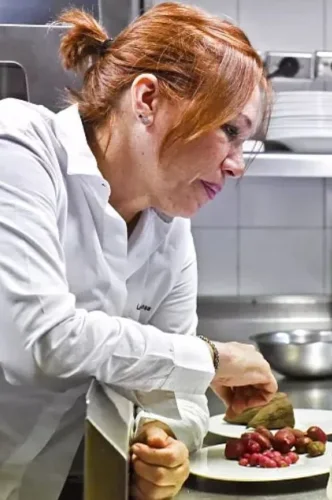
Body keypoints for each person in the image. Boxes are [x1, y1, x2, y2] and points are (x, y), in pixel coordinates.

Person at [0, 3, 278, 499]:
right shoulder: (19, 147)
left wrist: (165, 437)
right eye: (229, 131)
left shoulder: (169, 230)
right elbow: (43, 340)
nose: (237, 165)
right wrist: (212, 359)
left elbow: (180, 395)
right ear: (147, 97)